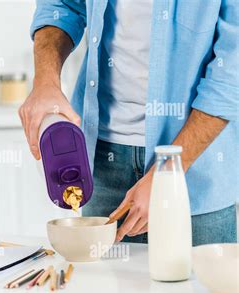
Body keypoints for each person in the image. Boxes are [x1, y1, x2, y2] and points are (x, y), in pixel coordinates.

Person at [19, 0, 237, 245]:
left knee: (200, 282)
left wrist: (167, 174)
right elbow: (62, 6)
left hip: (194, 170)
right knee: (103, 283)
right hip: (102, 163)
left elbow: (231, 72)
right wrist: (46, 81)